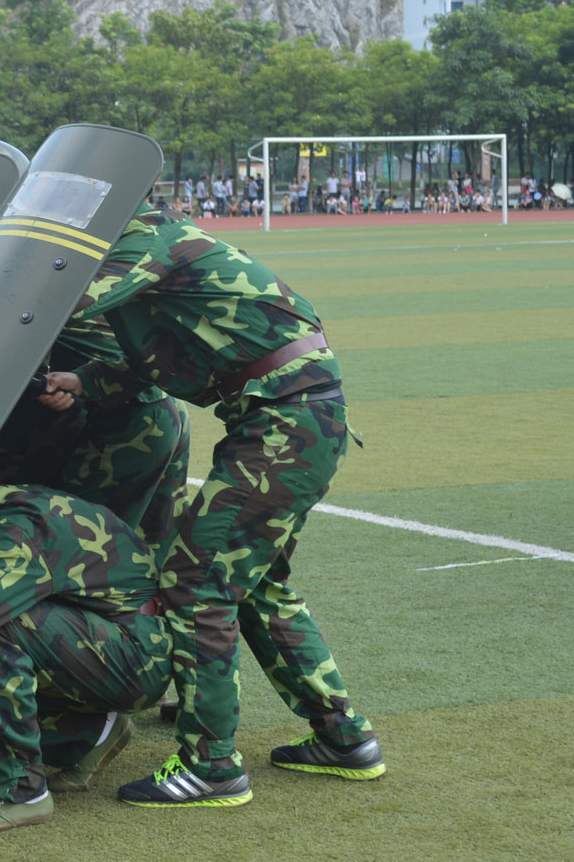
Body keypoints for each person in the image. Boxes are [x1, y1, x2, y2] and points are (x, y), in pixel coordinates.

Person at [39, 202, 383, 808]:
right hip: (292, 419)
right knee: (255, 586)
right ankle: (344, 739)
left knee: (195, 584)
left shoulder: (143, 238)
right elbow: (153, 363)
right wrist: (85, 381)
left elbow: (62, 301)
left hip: (282, 422)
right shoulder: (151, 249)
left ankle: (212, 767)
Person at [0, 471, 172, 835]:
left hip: (138, 654)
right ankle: (91, 732)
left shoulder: (15, 531)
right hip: (107, 636)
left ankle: (21, 792)